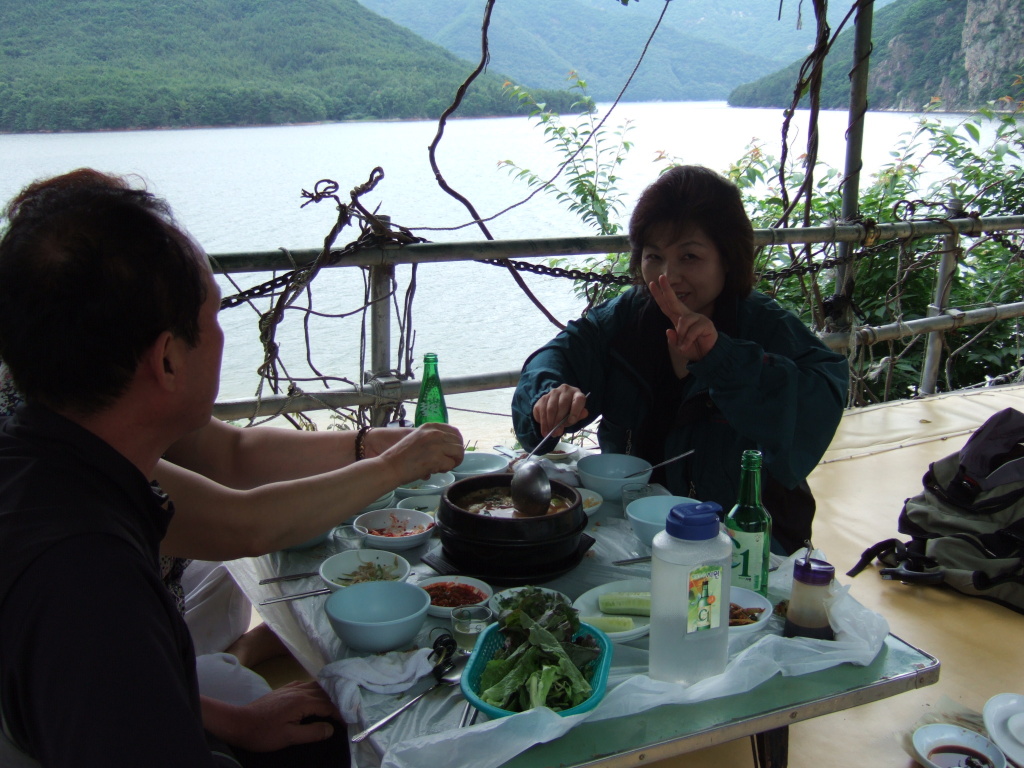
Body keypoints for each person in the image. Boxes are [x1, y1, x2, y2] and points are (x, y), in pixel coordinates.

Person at [0, 169, 461, 767]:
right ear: (166, 360)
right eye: (213, 316)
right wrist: (395, 464)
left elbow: (235, 459)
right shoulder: (89, 582)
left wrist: (234, 720)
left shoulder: (43, 461)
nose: (221, 335)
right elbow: (245, 522)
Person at [512, 165, 849, 554]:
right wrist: (548, 396)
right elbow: (555, 357)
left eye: (689, 256)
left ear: (728, 258)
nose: (668, 277)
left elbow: (823, 393)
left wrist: (724, 359)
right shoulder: (627, 319)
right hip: (635, 532)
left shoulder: (765, 327)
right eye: (654, 256)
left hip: (747, 546)